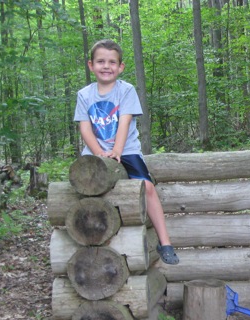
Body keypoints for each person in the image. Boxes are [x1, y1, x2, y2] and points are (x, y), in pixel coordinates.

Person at [74, 39, 179, 265]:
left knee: (147, 187)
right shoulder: (84, 94)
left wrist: (116, 151)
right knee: (84, 189)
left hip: (126, 149)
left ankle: (165, 242)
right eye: (101, 61)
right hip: (94, 152)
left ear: (120, 67)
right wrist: (99, 152)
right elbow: (85, 128)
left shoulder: (126, 90)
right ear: (91, 65)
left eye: (112, 62)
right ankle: (88, 237)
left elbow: (124, 122)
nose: (106, 66)